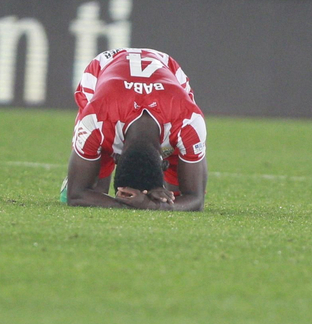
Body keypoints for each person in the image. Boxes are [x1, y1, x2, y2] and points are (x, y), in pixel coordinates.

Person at [64, 48, 207, 211]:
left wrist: (148, 204)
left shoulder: (188, 121)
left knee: (175, 195)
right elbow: (76, 195)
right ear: (115, 157)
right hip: (102, 69)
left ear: (164, 164)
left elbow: (196, 200)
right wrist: (136, 205)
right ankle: (88, 163)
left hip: (166, 69)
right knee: (96, 190)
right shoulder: (95, 119)